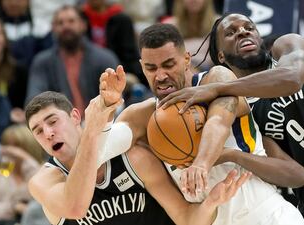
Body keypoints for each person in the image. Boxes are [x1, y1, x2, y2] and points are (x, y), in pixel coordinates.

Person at [158, 13, 304, 225]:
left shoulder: (288, 47)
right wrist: (230, 154)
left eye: (249, 27)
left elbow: (293, 79)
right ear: (220, 56)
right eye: (231, 32)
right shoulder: (243, 110)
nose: (243, 32)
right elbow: (296, 175)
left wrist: (218, 88)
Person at [100, 23, 304, 224]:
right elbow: (97, 152)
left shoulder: (216, 79)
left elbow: (218, 121)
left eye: (169, 65)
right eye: (151, 68)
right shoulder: (140, 116)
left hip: (266, 215)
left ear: (186, 59)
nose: (161, 76)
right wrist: (105, 108)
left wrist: (201, 163)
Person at [25, 89, 248, 225]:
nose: (48, 133)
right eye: (37, 130)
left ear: (75, 116)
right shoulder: (43, 182)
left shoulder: (134, 159)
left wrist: (210, 203)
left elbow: (188, 220)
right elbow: (75, 208)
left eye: (52, 121)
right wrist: (93, 128)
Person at [26, 5, 118, 116]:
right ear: (53, 28)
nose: (66, 26)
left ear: (83, 25)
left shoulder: (104, 57)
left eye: (71, 21)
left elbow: (116, 99)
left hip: (101, 122)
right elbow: (33, 100)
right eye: (60, 23)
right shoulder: (42, 62)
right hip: (60, 126)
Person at [0, 124, 42, 225]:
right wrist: (13, 207)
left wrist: (26, 158)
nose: (11, 150)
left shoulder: (40, 170)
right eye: (7, 144)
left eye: (17, 145)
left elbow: (42, 185)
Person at [0, 16, 29, 123]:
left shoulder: (19, 71)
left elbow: (25, 107)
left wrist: (20, 113)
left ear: (5, 40)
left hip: (10, 125)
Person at [162, 0, 218, 71]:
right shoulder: (169, 26)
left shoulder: (218, 23)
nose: (193, 0)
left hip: (209, 70)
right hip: (179, 69)